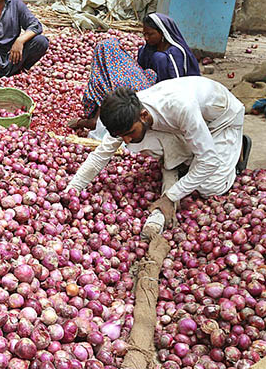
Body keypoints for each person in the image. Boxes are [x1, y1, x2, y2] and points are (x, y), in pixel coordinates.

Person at [67, 77, 251, 235]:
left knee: (209, 187)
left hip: (221, 120)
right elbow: (100, 156)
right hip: (188, 124)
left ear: (143, 115)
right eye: (121, 135)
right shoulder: (127, 116)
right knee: (140, 142)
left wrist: (170, 197)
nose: (126, 139)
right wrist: (71, 190)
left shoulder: (180, 107)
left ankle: (238, 147)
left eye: (129, 133)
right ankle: (192, 155)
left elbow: (209, 161)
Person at [69, 38, 158, 132]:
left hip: (130, 129)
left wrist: (79, 122)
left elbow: (97, 124)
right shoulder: (137, 73)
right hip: (152, 121)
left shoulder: (110, 85)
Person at [137, 13, 200, 82]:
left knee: (159, 57)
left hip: (172, 86)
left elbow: (177, 80)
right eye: (144, 34)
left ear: (162, 33)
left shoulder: (175, 52)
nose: (146, 38)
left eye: (150, 34)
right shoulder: (146, 50)